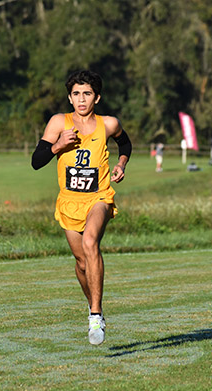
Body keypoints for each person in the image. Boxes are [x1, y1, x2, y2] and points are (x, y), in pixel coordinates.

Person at [31, 70, 132, 345]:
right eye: (76, 94)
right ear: (69, 97)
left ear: (96, 97)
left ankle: (96, 316)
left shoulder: (108, 123)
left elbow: (125, 142)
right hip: (68, 201)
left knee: (91, 243)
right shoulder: (58, 123)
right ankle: (92, 305)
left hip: (99, 197)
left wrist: (121, 164)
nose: (81, 99)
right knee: (81, 262)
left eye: (87, 93)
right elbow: (36, 161)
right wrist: (57, 146)